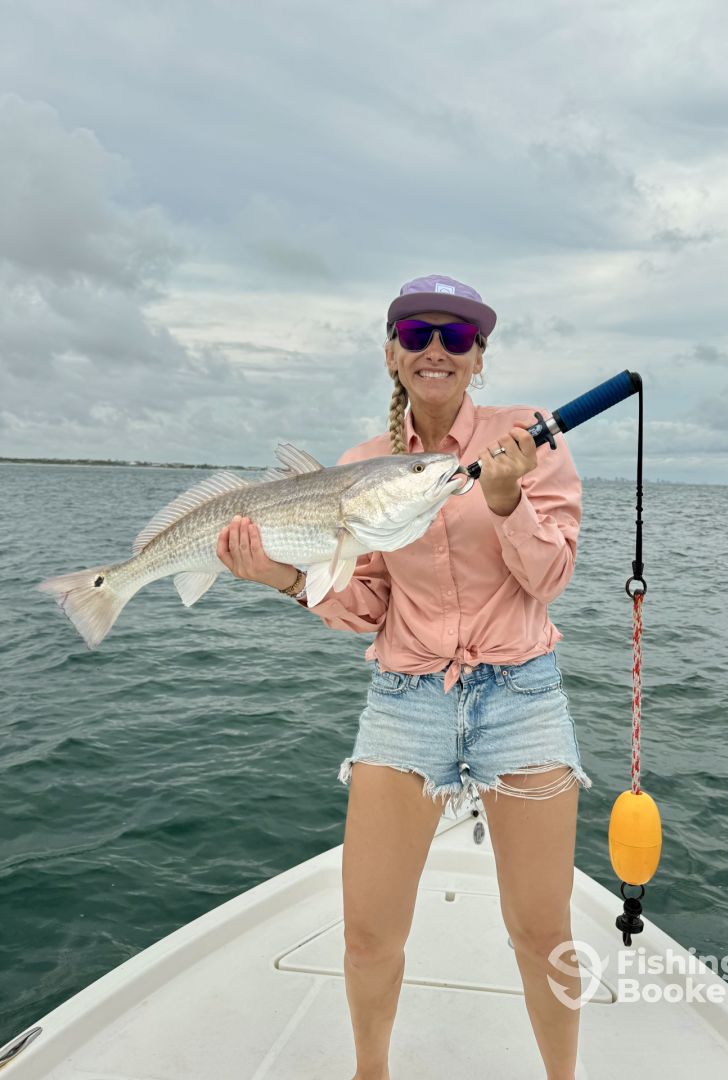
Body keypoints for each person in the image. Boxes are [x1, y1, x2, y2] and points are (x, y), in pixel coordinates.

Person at [217, 274, 592, 1080]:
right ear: (391, 353)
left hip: (521, 694)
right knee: (367, 934)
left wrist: (507, 502)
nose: (436, 349)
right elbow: (369, 607)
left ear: (479, 357)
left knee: (542, 933)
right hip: (406, 698)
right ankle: (371, 1072)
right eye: (417, 333)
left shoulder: (529, 440)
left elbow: (551, 579)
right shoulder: (360, 467)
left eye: (457, 337)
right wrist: (281, 577)